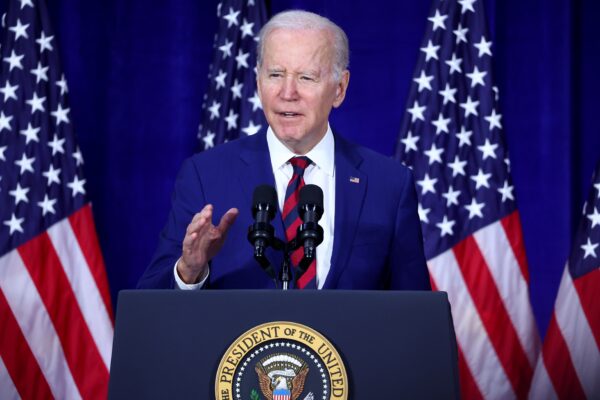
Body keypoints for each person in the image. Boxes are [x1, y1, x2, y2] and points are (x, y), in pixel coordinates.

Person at [137, 10, 430, 290]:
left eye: (306, 77)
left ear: (339, 88)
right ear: (258, 82)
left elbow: (414, 317)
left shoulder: (389, 185)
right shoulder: (205, 175)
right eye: (276, 74)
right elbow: (152, 307)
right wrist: (189, 272)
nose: (288, 93)